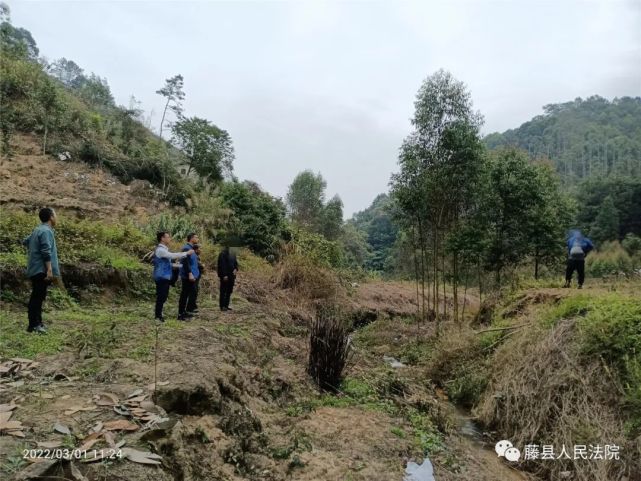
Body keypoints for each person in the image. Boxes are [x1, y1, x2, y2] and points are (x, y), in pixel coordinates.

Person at [22, 208, 60, 334]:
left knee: (38, 296)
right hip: (41, 270)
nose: (56, 217)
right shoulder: (46, 231)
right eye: (55, 215)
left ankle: (37, 323)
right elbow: (46, 251)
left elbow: (25, 241)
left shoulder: (38, 230)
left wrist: (34, 251)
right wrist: (49, 270)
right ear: (51, 217)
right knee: (37, 298)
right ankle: (34, 325)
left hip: (34, 268)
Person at [153, 231, 193, 322]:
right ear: (162, 239)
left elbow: (167, 263)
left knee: (163, 296)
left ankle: (159, 314)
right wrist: (186, 253)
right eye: (168, 237)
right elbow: (172, 255)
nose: (169, 239)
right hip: (161, 276)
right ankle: (158, 316)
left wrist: (177, 266)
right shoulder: (160, 250)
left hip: (165, 276)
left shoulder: (164, 249)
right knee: (161, 296)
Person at [178, 233, 200, 321]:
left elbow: (193, 262)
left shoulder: (192, 248)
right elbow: (185, 262)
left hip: (193, 275)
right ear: (191, 238)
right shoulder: (186, 248)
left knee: (189, 293)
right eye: (196, 237)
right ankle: (180, 314)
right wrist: (190, 273)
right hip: (187, 276)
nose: (198, 239)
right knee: (184, 294)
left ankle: (185, 311)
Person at [217, 245, 238, 311]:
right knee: (223, 291)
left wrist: (236, 269)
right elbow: (222, 265)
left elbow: (236, 263)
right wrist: (224, 275)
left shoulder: (233, 254)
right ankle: (222, 306)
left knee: (229, 291)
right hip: (225, 276)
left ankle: (226, 305)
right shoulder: (222, 254)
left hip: (232, 275)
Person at [186, 243, 203, 314]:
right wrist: (201, 265)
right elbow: (194, 265)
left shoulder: (197, 256)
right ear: (196, 249)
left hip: (196, 275)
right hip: (193, 276)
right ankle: (189, 308)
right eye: (200, 248)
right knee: (193, 292)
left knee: (195, 292)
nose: (201, 250)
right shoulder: (193, 256)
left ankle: (193, 306)